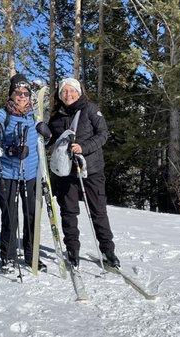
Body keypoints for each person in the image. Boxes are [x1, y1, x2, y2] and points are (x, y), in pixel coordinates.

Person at [47, 77, 120, 269]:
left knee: (98, 211)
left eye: (72, 91)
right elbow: (50, 140)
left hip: (91, 169)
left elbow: (103, 134)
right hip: (65, 172)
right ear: (60, 95)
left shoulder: (90, 109)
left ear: (79, 93)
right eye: (64, 92)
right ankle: (72, 249)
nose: (68, 95)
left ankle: (107, 250)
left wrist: (83, 147)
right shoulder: (57, 116)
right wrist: (44, 135)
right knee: (69, 212)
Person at [0, 74, 52, 273]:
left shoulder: (34, 116)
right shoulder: (3, 114)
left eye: (25, 93)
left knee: (32, 215)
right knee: (10, 216)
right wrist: (10, 150)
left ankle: (31, 254)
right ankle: (8, 257)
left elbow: (43, 142)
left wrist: (47, 133)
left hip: (30, 174)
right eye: (18, 93)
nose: (22, 97)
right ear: (11, 94)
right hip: (8, 172)